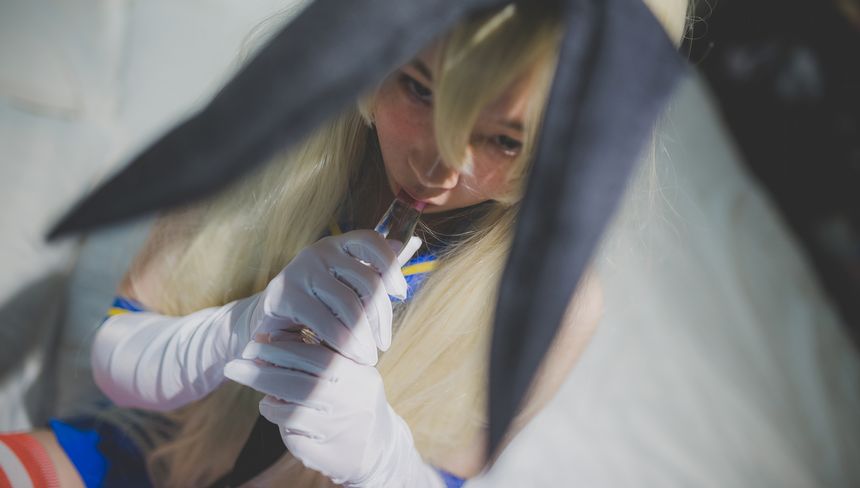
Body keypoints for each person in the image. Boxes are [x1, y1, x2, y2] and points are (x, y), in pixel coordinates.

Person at [0, 1, 688, 486]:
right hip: (146, 458)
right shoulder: (269, 141)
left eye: (504, 140)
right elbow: (117, 355)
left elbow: (445, 477)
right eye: (419, 90)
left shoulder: (558, 306)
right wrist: (236, 329)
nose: (437, 167)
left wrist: (375, 453)